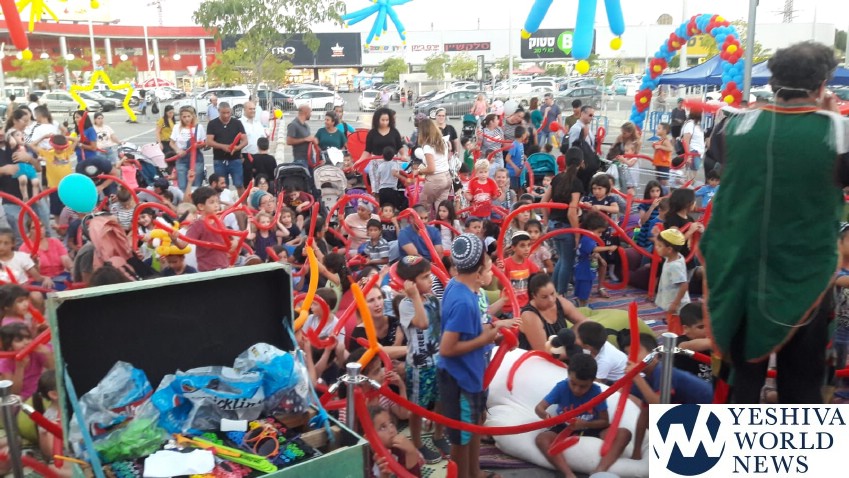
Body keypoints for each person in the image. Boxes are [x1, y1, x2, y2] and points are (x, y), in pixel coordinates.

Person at [701, 42, 849, 404]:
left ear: (773, 82)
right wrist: (830, 118)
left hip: (739, 271)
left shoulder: (734, 123)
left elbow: (719, 158)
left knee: (740, 382)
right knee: (801, 387)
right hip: (805, 278)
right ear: (822, 86)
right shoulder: (839, 132)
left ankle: (735, 438)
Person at [439, 234, 519, 478]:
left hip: (472, 374)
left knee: (474, 426)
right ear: (477, 274)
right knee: (462, 438)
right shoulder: (464, 301)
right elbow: (447, 348)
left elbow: (473, 328)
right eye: (489, 267)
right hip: (460, 378)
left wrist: (495, 333)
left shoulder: (460, 286)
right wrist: (485, 340)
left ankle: (475, 472)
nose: (493, 271)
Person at [534, 353, 631, 478]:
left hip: (591, 428)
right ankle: (569, 474)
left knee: (624, 434)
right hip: (564, 427)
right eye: (573, 383)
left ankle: (599, 471)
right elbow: (539, 408)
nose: (577, 390)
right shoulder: (561, 387)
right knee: (541, 439)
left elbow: (604, 421)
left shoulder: (596, 391)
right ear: (568, 375)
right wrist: (547, 417)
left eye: (583, 386)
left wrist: (584, 424)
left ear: (593, 381)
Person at [623, 333, 713, 458]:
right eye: (628, 354)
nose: (631, 358)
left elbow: (660, 406)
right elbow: (644, 415)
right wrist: (636, 451)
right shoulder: (647, 378)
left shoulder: (661, 371)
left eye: (635, 352)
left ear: (654, 354)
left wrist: (636, 377)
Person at [397, 255, 448, 463]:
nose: (430, 280)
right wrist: (415, 296)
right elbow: (422, 322)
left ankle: (438, 435)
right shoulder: (406, 305)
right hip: (419, 366)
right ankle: (417, 443)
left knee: (441, 400)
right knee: (417, 408)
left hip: (439, 360)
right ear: (410, 283)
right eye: (425, 277)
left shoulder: (434, 300)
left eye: (430, 276)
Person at [541, 147, 584, 295]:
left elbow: (543, 201)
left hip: (554, 225)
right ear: (581, 163)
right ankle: (560, 294)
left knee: (562, 259)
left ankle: (553, 291)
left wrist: (547, 220)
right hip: (566, 228)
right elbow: (572, 212)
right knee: (567, 261)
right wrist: (577, 234)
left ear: (565, 161)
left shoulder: (557, 178)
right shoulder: (577, 183)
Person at [173, 187, 237, 272]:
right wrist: (174, 239)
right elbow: (182, 245)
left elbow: (229, 240)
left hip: (224, 266)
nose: (216, 205)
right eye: (212, 202)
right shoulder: (197, 224)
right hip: (208, 270)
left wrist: (235, 242)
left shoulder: (219, 222)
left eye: (217, 201)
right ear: (201, 206)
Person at [518, 273, 586, 351]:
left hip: (559, 349)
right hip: (535, 356)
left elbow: (584, 322)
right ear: (534, 296)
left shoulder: (560, 302)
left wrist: (571, 338)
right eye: (544, 297)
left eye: (552, 293)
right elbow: (542, 351)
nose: (551, 300)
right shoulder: (529, 315)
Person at [0, 322, 53, 400]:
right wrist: (20, 368)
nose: (26, 342)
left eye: (28, 338)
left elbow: (53, 370)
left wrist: (48, 354)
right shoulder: (5, 363)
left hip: (40, 394)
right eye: (19, 340)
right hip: (21, 398)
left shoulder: (35, 353)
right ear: (9, 346)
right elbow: (14, 392)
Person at [575, 212, 617, 305]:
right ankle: (582, 306)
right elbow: (594, 249)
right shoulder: (587, 239)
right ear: (590, 229)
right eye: (599, 232)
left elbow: (592, 252)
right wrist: (609, 248)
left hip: (587, 270)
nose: (600, 235)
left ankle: (581, 303)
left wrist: (600, 259)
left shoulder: (589, 239)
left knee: (584, 290)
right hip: (585, 271)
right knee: (584, 292)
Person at [206, 102, 248, 195]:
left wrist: (237, 148)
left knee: (239, 184)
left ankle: (243, 203)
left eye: (228, 112)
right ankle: (223, 203)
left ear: (231, 111)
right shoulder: (212, 124)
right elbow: (209, 141)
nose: (226, 115)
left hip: (235, 159)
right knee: (221, 186)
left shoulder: (237, 123)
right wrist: (223, 146)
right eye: (223, 113)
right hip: (219, 160)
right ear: (218, 111)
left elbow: (245, 140)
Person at [370, 406, 423, 478]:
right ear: (368, 437)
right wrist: (384, 475)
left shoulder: (397, 449)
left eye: (391, 423)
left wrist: (411, 452)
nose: (391, 430)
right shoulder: (363, 461)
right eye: (383, 427)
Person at [416, 118, 452, 214]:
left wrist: (419, 171)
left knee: (424, 206)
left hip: (435, 179)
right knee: (441, 210)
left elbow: (431, 169)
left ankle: (426, 223)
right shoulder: (443, 141)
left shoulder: (428, 147)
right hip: (447, 177)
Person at [502, 231, 539, 316]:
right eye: (522, 246)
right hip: (511, 307)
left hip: (526, 306)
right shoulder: (506, 264)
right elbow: (500, 286)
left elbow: (537, 279)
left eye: (528, 245)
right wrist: (502, 271)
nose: (527, 249)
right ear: (513, 248)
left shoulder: (529, 264)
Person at [169, 106, 206, 190]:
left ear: (192, 116)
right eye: (184, 117)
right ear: (181, 117)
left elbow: (204, 143)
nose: (187, 119)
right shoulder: (177, 127)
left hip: (196, 158)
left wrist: (199, 145)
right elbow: (171, 142)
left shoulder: (198, 127)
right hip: (181, 159)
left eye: (188, 116)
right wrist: (178, 150)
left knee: (196, 185)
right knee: (182, 186)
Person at [654, 228, 690, 315]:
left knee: (675, 322)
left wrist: (675, 304)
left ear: (669, 249)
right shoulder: (674, 256)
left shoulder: (675, 266)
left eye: (659, 246)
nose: (656, 247)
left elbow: (684, 285)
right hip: (671, 298)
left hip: (677, 305)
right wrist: (657, 236)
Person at [239, 101, 267, 171]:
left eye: (254, 109)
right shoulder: (239, 123)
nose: (253, 111)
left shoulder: (258, 123)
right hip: (246, 156)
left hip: (259, 156)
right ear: (244, 110)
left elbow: (263, 137)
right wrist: (240, 156)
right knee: (247, 177)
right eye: (250, 109)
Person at [680, 109, 705, 181]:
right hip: (693, 152)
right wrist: (688, 155)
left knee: (692, 176)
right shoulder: (690, 124)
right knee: (690, 177)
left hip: (697, 153)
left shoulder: (696, 124)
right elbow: (686, 140)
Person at [505, 125, 527, 192]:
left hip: (519, 172)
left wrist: (526, 158)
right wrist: (516, 168)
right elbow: (507, 158)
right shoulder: (514, 145)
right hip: (513, 173)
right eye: (525, 134)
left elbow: (520, 153)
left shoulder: (521, 144)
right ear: (522, 135)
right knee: (514, 191)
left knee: (520, 189)